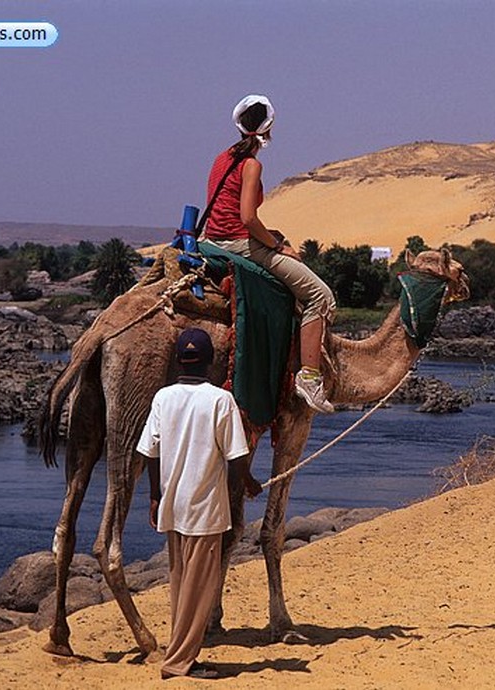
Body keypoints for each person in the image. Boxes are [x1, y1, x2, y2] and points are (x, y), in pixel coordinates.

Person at [198, 94, 337, 414]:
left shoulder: (222, 157)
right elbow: (247, 218)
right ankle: (310, 378)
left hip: (213, 238)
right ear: (269, 128)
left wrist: (269, 236)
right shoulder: (251, 164)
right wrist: (276, 245)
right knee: (320, 296)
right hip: (236, 242)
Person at [136, 327, 250, 680]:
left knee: (181, 585)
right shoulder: (221, 400)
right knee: (199, 591)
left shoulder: (163, 397)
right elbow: (236, 457)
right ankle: (179, 662)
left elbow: (150, 453)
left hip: (173, 505)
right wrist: (237, 491)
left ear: (177, 360)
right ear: (211, 362)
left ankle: (179, 653)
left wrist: (155, 495)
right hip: (204, 510)